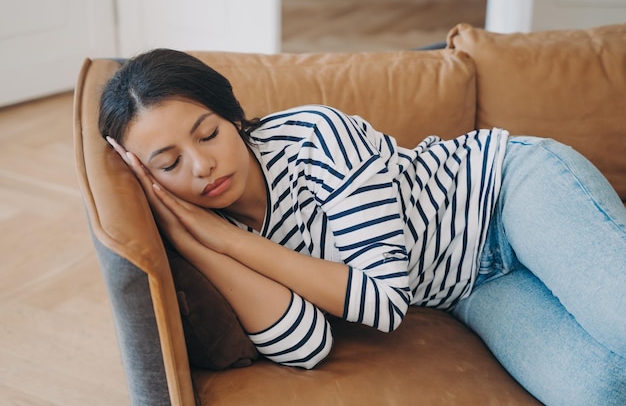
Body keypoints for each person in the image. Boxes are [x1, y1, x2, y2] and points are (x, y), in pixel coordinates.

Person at [98, 48, 626, 406]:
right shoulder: (200, 226)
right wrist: (202, 241)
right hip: (472, 287)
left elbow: (383, 303)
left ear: (233, 116)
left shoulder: (315, 136)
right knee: (598, 392)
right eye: (168, 164)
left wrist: (226, 239)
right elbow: (304, 345)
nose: (201, 166)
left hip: (507, 191)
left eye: (207, 134)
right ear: (150, 181)